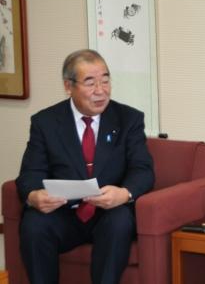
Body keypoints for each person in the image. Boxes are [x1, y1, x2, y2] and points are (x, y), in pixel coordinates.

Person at [16, 49, 155, 284]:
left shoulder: (128, 119)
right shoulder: (45, 122)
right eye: (90, 83)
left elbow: (143, 169)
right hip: (64, 212)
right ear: (68, 86)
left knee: (120, 221)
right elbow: (30, 174)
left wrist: (124, 193)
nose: (100, 91)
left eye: (105, 80)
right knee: (33, 223)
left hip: (108, 212)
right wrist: (34, 196)